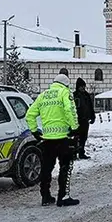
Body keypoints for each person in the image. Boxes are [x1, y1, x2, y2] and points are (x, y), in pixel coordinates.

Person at [25, 73, 80, 207]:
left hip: (47, 140)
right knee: (65, 168)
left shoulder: (43, 95)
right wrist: (74, 127)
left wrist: (34, 131)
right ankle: (63, 197)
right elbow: (70, 110)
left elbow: (29, 115)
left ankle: (45, 197)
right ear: (66, 84)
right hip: (63, 139)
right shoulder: (65, 93)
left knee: (46, 169)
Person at [73, 77, 95, 159]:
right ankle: (74, 153)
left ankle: (81, 153)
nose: (83, 88)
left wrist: (92, 116)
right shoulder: (74, 95)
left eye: (84, 86)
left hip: (85, 120)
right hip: (76, 120)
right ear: (78, 87)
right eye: (81, 86)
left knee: (83, 137)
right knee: (76, 137)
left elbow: (90, 107)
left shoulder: (86, 95)